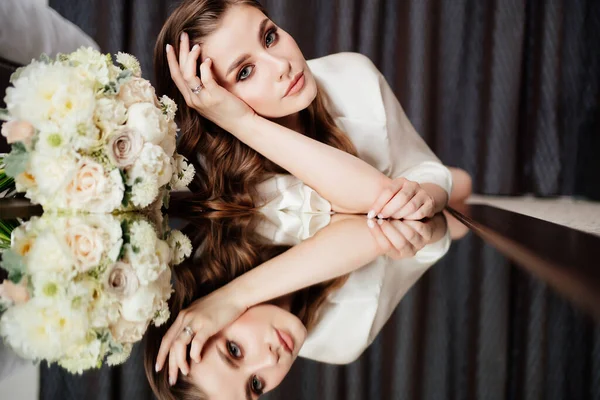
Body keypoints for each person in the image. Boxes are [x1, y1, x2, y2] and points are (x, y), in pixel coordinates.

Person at [145, 206, 448, 399]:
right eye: (256, 386)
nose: (270, 362)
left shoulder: (242, 214)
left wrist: (232, 297)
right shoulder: (343, 338)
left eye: (234, 351)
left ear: (203, 308)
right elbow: (396, 228)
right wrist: (233, 298)